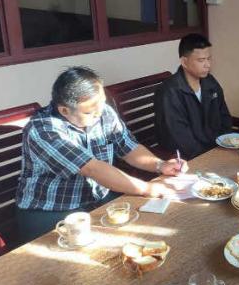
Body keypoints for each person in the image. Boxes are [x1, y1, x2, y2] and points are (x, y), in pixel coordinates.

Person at [16, 66, 187, 242]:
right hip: (52, 209)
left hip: (99, 199)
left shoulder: (102, 112)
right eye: (89, 111)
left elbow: (128, 147)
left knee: (155, 227)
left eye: (102, 102)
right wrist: (147, 188)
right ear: (64, 111)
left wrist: (160, 165)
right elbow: (93, 169)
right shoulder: (43, 130)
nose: (100, 113)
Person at [154, 33, 232, 160]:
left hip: (214, 148)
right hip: (185, 157)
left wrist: (226, 144)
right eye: (201, 60)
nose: (207, 65)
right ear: (184, 62)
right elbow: (180, 138)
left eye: (209, 59)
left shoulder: (210, 82)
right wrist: (209, 157)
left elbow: (225, 117)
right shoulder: (170, 92)